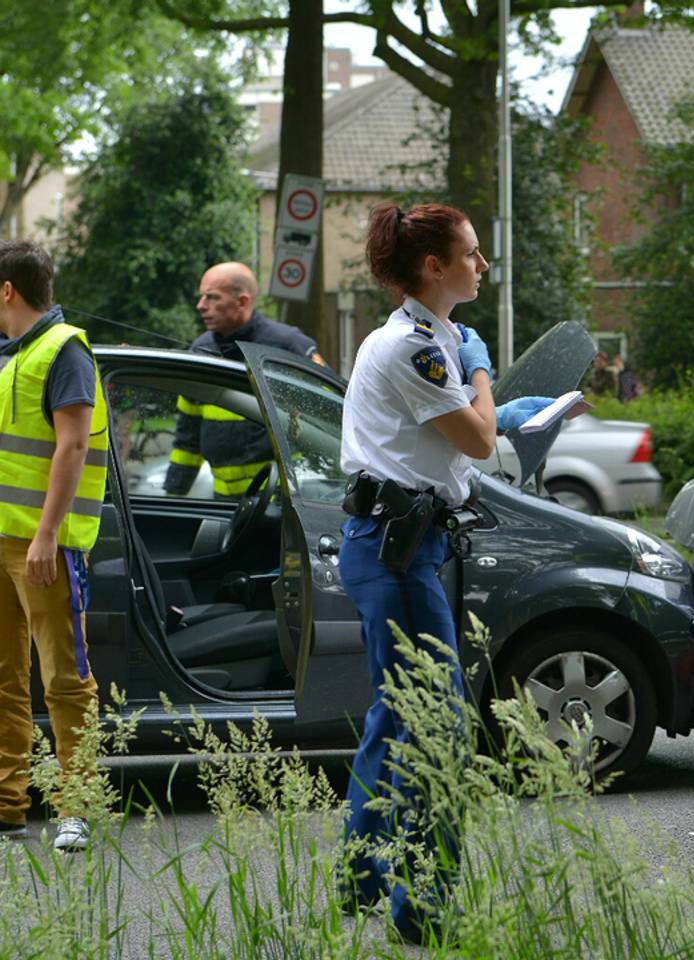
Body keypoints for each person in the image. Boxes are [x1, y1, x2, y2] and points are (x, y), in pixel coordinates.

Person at [336, 201, 552, 945]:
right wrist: (482, 370)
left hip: (398, 544)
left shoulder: (430, 339)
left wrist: (470, 363)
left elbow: (456, 449)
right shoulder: (417, 350)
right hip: (397, 553)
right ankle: (421, 906)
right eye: (472, 253)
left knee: (395, 716)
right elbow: (481, 435)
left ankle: (359, 874)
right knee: (441, 730)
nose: (482, 265)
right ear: (434, 266)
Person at [0, 240, 108, 853]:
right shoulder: (9, 355)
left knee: (65, 680)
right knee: (4, 679)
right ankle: (7, 807)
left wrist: (45, 535)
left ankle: (78, 807)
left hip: (43, 547)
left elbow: (72, 448)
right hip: (1, 540)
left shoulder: (64, 350)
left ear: (7, 290)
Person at [163, 262, 323, 498]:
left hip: (279, 499)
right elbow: (189, 432)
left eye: (212, 297)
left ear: (242, 302)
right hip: (222, 502)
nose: (201, 306)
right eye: (201, 297)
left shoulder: (288, 345)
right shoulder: (201, 350)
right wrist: (173, 495)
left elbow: (328, 411)